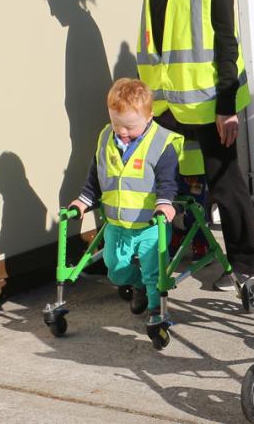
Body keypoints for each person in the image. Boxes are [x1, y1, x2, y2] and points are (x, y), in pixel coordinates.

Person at [135, 0, 254, 290]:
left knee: (226, 185)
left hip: (209, 99)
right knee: (171, 182)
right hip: (164, 99)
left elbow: (226, 39)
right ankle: (184, 250)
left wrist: (227, 105)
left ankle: (246, 265)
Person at [68, 79, 179, 321]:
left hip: (151, 225)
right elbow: (96, 176)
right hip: (117, 224)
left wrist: (165, 202)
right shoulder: (107, 139)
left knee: (154, 272)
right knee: (115, 269)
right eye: (116, 123)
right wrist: (83, 201)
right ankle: (136, 284)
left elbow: (168, 181)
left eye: (129, 126)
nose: (121, 131)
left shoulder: (160, 144)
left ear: (149, 117)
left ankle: (155, 310)